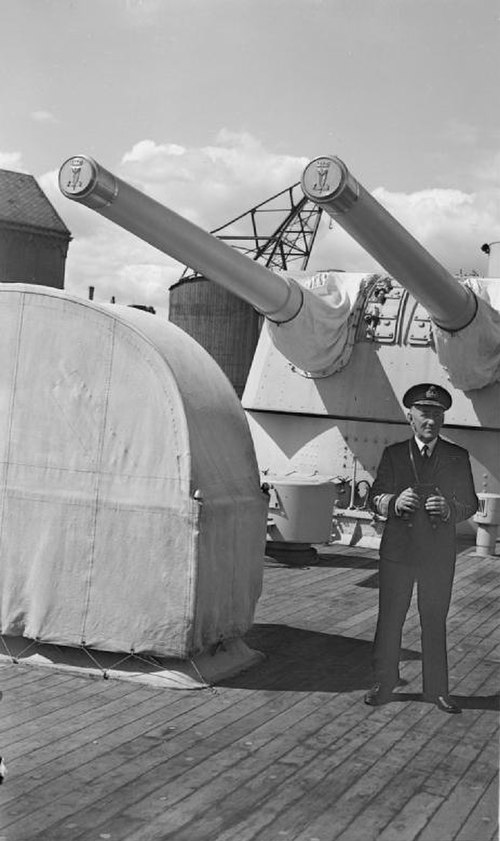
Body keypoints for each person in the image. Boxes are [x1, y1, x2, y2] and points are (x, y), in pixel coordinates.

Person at [365, 383, 478, 714]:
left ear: (443, 419)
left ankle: (437, 690)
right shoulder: (394, 454)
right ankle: (384, 682)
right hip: (398, 552)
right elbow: (375, 496)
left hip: (437, 555)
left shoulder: (457, 457)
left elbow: (469, 503)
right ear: (410, 417)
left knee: (434, 619)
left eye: (436, 415)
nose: (430, 421)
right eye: (424, 414)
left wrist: (449, 509)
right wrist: (393, 502)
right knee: (390, 618)